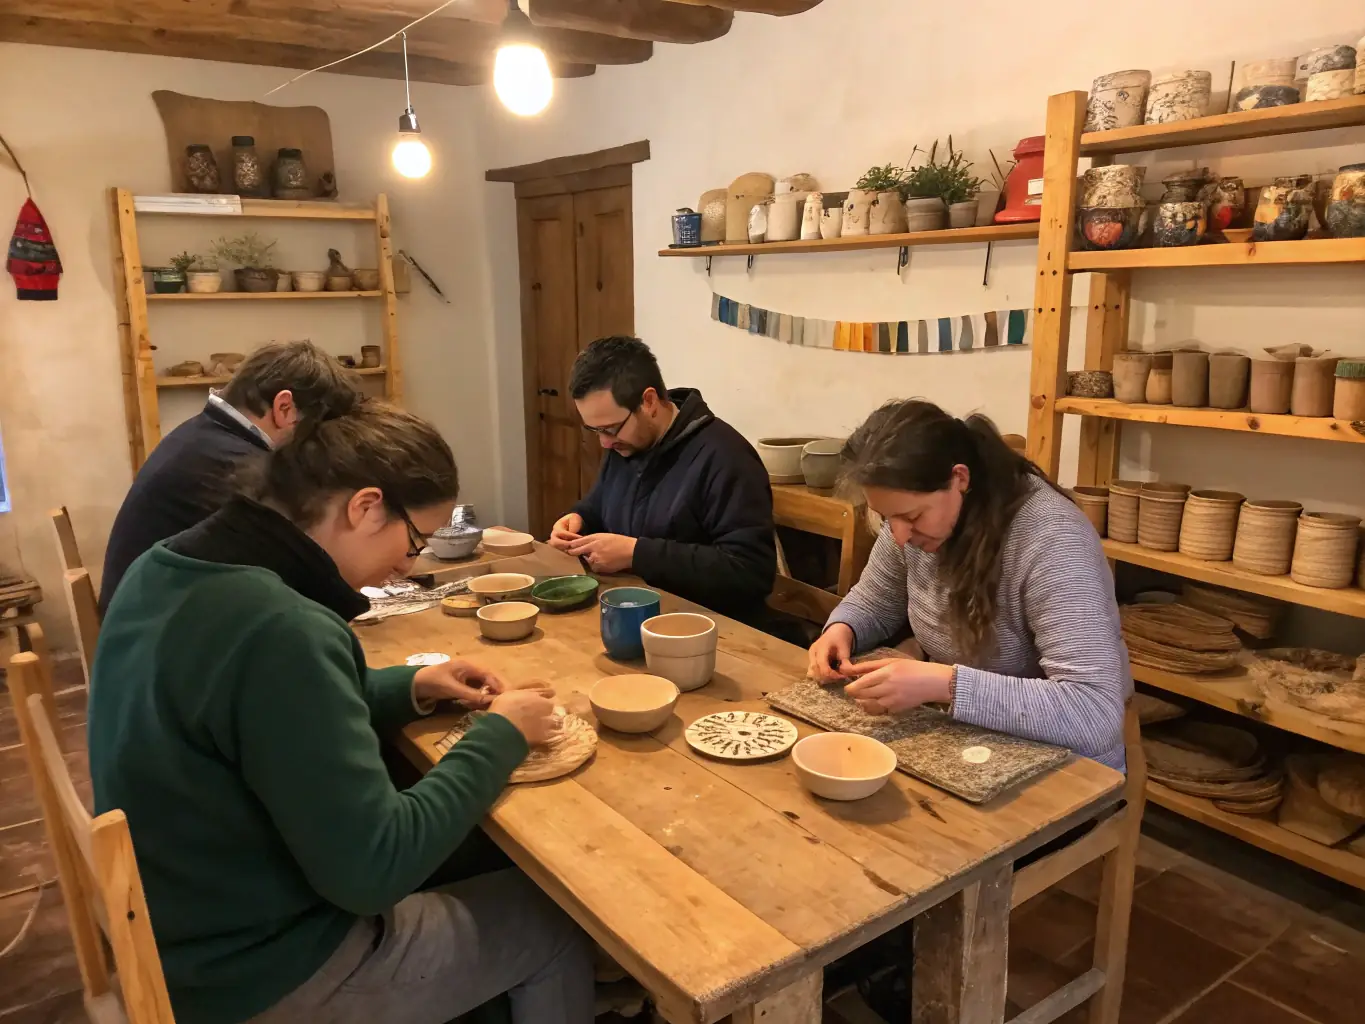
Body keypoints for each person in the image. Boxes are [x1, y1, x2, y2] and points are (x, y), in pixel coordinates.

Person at [88, 398, 594, 1024]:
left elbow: (260, 717)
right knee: (556, 920)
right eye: (415, 541)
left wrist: (412, 686)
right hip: (259, 974)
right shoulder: (280, 626)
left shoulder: (166, 566)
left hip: (181, 930)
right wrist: (498, 735)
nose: (410, 565)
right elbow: (375, 870)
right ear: (365, 506)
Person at [808, 399, 1130, 771]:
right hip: (971, 742)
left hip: (1069, 770)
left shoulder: (1052, 537)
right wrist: (842, 629)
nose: (898, 535)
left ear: (960, 478)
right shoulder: (913, 523)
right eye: (886, 518)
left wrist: (945, 685)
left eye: (911, 516)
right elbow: (874, 600)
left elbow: (1094, 713)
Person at [99, 340, 358, 614]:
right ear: (284, 408)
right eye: (317, 432)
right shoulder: (233, 465)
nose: (316, 447)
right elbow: (299, 580)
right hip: (156, 640)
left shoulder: (206, 435)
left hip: (142, 625)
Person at [548, 336, 776, 625]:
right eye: (595, 430)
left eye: (610, 428)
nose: (604, 443)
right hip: (632, 611)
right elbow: (601, 505)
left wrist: (636, 554)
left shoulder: (726, 457)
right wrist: (578, 518)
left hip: (711, 629)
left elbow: (750, 572)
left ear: (649, 401)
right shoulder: (626, 444)